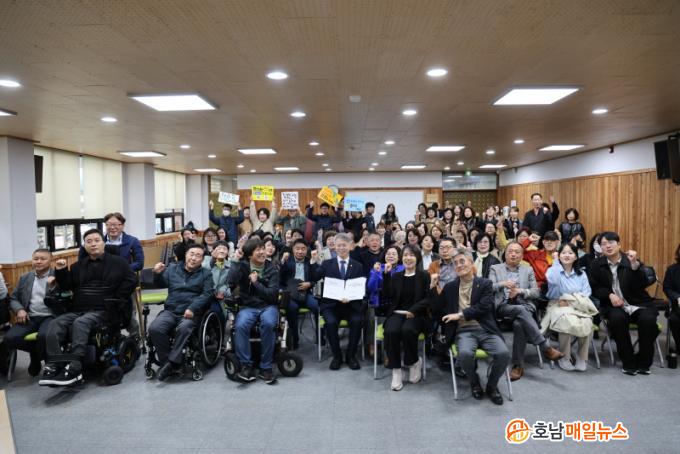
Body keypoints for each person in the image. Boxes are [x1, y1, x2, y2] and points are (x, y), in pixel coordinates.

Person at [39, 229, 137, 386]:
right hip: (79, 309)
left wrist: (117, 296)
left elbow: (132, 280)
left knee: (81, 323)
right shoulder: (78, 266)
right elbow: (66, 286)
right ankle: (54, 363)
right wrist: (61, 270)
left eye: (97, 240)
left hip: (105, 310)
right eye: (89, 241)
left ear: (103, 243)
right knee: (55, 324)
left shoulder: (119, 262)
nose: (93, 244)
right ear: (84, 246)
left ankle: (75, 366)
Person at [432, 248, 510, 405]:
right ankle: (474, 381)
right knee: (465, 354)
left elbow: (485, 306)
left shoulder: (485, 283)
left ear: (471, 263)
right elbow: (437, 308)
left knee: (503, 354)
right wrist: (433, 287)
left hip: (485, 329)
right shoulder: (450, 287)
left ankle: (492, 386)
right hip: (463, 331)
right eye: (455, 263)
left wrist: (460, 315)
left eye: (462, 261)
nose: (459, 265)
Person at [489, 241, 564, 381]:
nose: (513, 254)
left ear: (522, 255)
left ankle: (518, 366)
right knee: (520, 310)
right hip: (503, 306)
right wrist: (503, 284)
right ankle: (545, 346)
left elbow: (536, 292)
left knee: (519, 324)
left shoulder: (527, 269)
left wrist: (520, 291)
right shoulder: (495, 268)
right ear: (505, 254)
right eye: (510, 251)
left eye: (517, 252)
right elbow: (489, 286)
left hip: (524, 305)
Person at [589, 231, 660, 375]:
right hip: (613, 306)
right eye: (604, 244)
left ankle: (644, 362)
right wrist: (609, 295)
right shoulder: (596, 264)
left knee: (648, 320)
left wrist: (634, 265)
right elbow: (594, 287)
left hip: (639, 303)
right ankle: (628, 362)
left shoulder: (630, 261)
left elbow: (642, 283)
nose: (608, 246)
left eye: (611, 243)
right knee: (617, 320)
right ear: (600, 248)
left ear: (619, 245)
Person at [148, 244, 213, 381]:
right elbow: (160, 284)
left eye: (198, 256)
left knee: (184, 327)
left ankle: (171, 363)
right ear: (186, 255)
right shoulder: (173, 268)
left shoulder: (206, 274)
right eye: (191, 254)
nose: (193, 258)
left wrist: (193, 308)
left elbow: (207, 294)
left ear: (202, 260)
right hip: (171, 310)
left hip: (190, 313)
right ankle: (168, 363)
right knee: (155, 328)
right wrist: (157, 274)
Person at [228, 238, 280, 383]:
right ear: (250, 255)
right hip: (248, 306)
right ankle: (246, 366)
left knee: (269, 324)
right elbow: (231, 281)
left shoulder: (272, 269)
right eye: (258, 250)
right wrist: (235, 261)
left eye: (263, 249)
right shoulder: (243, 266)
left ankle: (266, 367)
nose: (262, 252)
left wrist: (256, 283)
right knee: (240, 326)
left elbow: (272, 295)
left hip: (268, 306)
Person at [311, 232, 364, 370]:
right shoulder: (327, 264)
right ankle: (337, 356)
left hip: (351, 305)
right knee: (331, 323)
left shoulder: (357, 265)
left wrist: (351, 297)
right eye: (339, 245)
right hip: (331, 305)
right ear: (334, 246)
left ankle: (351, 356)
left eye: (344, 245)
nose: (341, 248)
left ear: (350, 246)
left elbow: (360, 287)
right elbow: (314, 277)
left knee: (357, 321)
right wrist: (314, 262)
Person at [381, 245, 430, 391]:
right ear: (402, 258)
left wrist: (413, 310)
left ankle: (413, 362)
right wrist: (386, 276)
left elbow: (428, 299)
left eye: (412, 255)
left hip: (417, 314)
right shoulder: (396, 276)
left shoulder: (424, 276)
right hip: (397, 313)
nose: (408, 258)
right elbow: (388, 295)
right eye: (405, 255)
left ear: (417, 258)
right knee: (391, 331)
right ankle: (396, 370)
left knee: (407, 330)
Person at [544, 243, 597, 371]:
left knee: (587, 321)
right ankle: (564, 356)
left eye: (570, 253)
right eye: (563, 253)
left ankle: (582, 357)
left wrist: (570, 301)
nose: (567, 255)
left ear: (576, 257)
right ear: (559, 255)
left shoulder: (581, 273)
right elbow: (554, 282)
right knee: (566, 320)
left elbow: (587, 293)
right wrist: (555, 262)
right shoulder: (552, 270)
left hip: (578, 305)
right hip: (557, 304)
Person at [6, 249, 58, 376]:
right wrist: (20, 310)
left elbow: (65, 298)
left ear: (50, 261)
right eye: (36, 259)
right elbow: (13, 298)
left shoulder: (58, 276)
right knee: (10, 338)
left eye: (43, 259)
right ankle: (35, 356)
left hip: (50, 316)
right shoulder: (25, 277)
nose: (39, 261)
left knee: (44, 336)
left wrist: (53, 287)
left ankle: (45, 362)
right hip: (30, 316)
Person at [279, 239, 320, 349]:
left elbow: (316, 278)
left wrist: (309, 283)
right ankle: (294, 339)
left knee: (317, 306)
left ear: (307, 250)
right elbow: (279, 277)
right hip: (291, 293)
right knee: (292, 308)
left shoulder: (309, 261)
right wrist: (282, 261)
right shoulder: (287, 260)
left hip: (306, 293)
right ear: (293, 249)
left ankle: (320, 336)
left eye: (303, 249)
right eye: (297, 249)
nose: (300, 251)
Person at [79, 212, 144, 273]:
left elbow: (139, 263)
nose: (112, 227)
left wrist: (120, 270)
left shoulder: (132, 241)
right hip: (100, 276)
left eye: (115, 224)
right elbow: (83, 263)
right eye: (109, 224)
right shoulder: (99, 242)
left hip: (124, 275)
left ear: (123, 225)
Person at [664, 244, 680, 353]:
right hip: (677, 306)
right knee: (674, 320)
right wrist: (677, 297)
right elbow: (667, 287)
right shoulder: (672, 269)